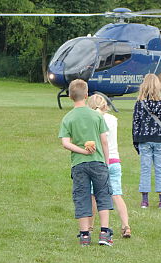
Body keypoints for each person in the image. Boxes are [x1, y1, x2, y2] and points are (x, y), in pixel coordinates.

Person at [58, 79, 114, 246]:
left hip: (79, 164)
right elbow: (104, 141)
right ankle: (104, 233)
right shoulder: (96, 116)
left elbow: (65, 143)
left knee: (82, 197)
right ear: (87, 94)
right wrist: (106, 161)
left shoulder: (68, 118)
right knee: (103, 195)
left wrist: (81, 151)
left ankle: (84, 235)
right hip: (98, 161)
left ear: (69, 96)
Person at [87, 94, 131, 238]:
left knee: (93, 195)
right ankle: (126, 225)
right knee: (117, 195)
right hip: (115, 160)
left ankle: (89, 226)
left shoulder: (93, 120)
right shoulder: (113, 119)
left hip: (99, 161)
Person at [132, 74, 161, 209]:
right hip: (160, 139)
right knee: (160, 169)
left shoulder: (140, 103)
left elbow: (136, 123)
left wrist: (136, 142)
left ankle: (145, 200)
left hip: (144, 139)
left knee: (145, 169)